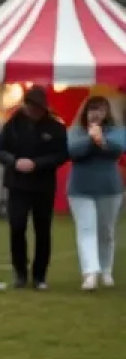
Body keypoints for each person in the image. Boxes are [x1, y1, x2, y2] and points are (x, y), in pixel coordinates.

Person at [0, 85, 69, 290]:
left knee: (42, 230)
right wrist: (14, 161)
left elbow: (62, 155)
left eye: (40, 108)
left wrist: (37, 164)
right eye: (33, 108)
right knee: (17, 227)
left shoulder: (56, 127)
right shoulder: (12, 124)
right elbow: (0, 150)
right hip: (17, 185)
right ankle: (20, 272)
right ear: (26, 106)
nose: (36, 112)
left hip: (43, 186)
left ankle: (39, 276)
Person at [67, 95, 125, 290]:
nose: (95, 113)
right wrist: (93, 140)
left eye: (100, 109)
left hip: (109, 189)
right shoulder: (76, 131)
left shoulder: (117, 131)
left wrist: (103, 141)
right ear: (85, 111)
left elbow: (118, 149)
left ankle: (106, 269)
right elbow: (72, 150)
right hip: (80, 189)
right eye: (92, 109)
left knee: (106, 231)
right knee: (86, 229)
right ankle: (90, 273)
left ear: (107, 112)